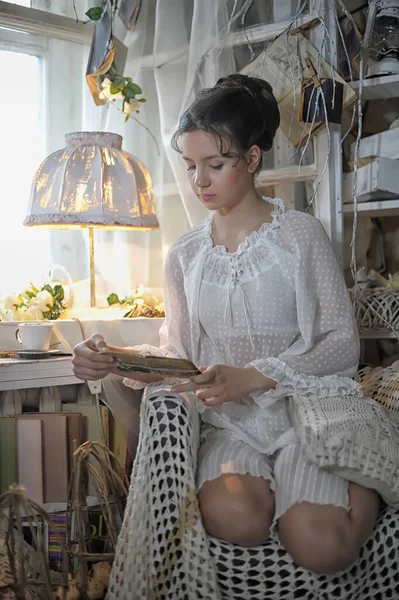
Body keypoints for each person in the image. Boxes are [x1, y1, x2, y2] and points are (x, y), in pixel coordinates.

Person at [72, 74, 380, 579]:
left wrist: (254, 375)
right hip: (231, 425)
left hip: (307, 415)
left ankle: (366, 479)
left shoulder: (302, 236)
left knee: (324, 548)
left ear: (253, 159)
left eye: (215, 165)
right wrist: (113, 357)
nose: (200, 182)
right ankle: (288, 490)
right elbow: (180, 351)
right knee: (239, 520)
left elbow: (341, 345)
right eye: (191, 166)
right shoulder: (186, 254)